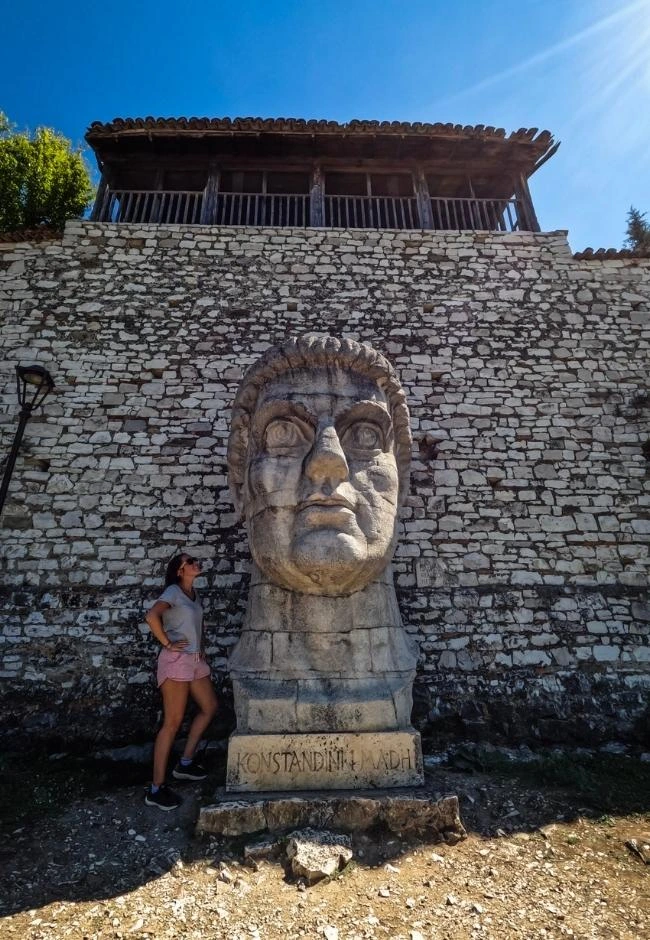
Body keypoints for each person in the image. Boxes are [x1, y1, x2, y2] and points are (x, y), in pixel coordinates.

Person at [144, 552, 218, 810]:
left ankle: (185, 763)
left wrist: (202, 649)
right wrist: (168, 643)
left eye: (197, 560)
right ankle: (156, 789)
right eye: (190, 562)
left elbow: (196, 627)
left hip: (195, 660)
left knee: (209, 708)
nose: (197, 563)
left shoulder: (193, 596)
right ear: (179, 570)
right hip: (176, 661)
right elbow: (151, 616)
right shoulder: (173, 592)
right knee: (172, 723)